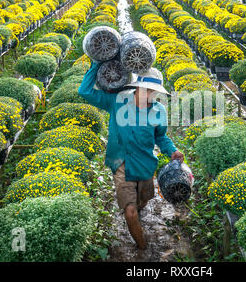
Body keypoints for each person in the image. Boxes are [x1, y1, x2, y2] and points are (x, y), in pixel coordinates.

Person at [78, 61, 184, 250]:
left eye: (154, 92)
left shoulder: (159, 111)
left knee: (142, 203)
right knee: (130, 212)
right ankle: (143, 248)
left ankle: (137, 214)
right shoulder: (117, 101)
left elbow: (161, 137)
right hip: (121, 163)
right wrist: (96, 64)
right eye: (147, 90)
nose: (151, 95)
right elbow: (85, 92)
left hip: (145, 165)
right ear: (138, 88)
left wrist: (172, 151)